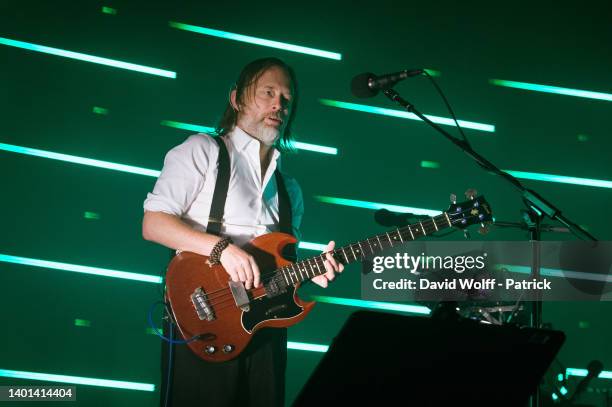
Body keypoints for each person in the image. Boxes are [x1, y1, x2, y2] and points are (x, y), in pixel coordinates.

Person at [142, 57, 344, 407]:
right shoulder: (202, 151)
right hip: (202, 321)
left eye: (286, 97)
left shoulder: (289, 189)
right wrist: (221, 249)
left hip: (264, 333)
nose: (278, 104)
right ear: (236, 99)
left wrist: (313, 273)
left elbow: (278, 274)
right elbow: (153, 223)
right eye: (268, 92)